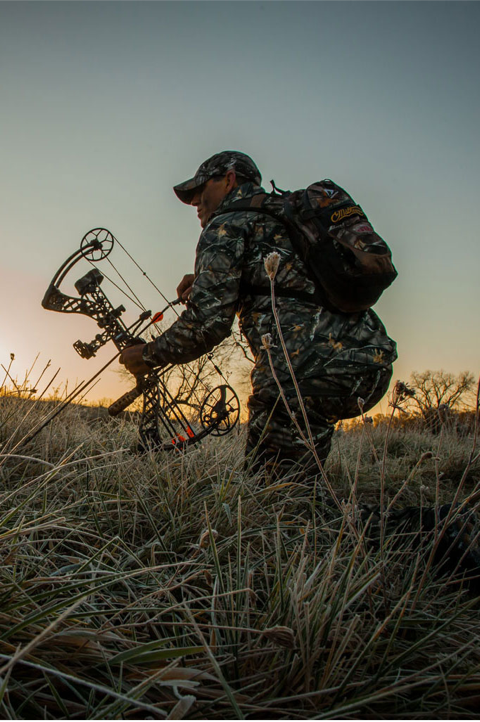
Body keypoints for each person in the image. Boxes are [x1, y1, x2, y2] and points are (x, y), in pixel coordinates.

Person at [119, 151, 397, 476]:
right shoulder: (284, 214)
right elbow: (292, 284)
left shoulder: (226, 224)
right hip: (369, 365)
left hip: (302, 375)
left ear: (229, 179)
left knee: (277, 505)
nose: (195, 201)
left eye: (200, 189)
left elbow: (207, 324)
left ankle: (453, 525)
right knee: (297, 494)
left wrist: (148, 354)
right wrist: (219, 284)